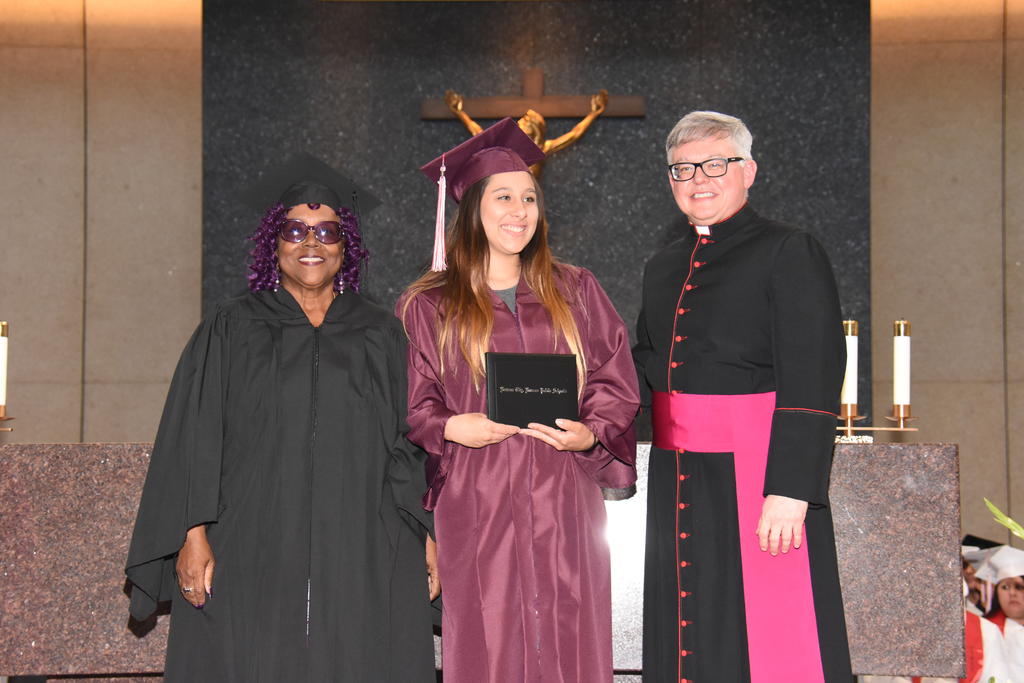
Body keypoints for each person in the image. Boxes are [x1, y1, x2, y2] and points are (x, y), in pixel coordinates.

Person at [125, 156, 437, 682]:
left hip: (361, 542)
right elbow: (195, 433)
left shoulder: (382, 333)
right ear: (274, 242)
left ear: (346, 247)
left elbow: (409, 446)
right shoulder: (231, 327)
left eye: (327, 232)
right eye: (294, 230)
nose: (311, 243)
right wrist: (192, 532)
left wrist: (428, 534)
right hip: (247, 540)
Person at [399, 118, 639, 682]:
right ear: (472, 209)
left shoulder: (575, 289)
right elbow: (411, 401)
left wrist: (590, 430)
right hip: (476, 492)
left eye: (529, 197)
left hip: (564, 490)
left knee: (570, 630)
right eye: (503, 196)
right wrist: (451, 426)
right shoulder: (430, 305)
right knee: (489, 632)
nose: (520, 210)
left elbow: (615, 378)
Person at [633, 110, 852, 682]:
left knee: (767, 636)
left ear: (748, 171)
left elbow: (814, 370)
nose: (697, 179)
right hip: (678, 475)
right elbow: (645, 367)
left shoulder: (789, 250)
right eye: (682, 169)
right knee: (691, 627)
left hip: (759, 476)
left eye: (714, 164)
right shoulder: (663, 266)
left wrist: (790, 489)